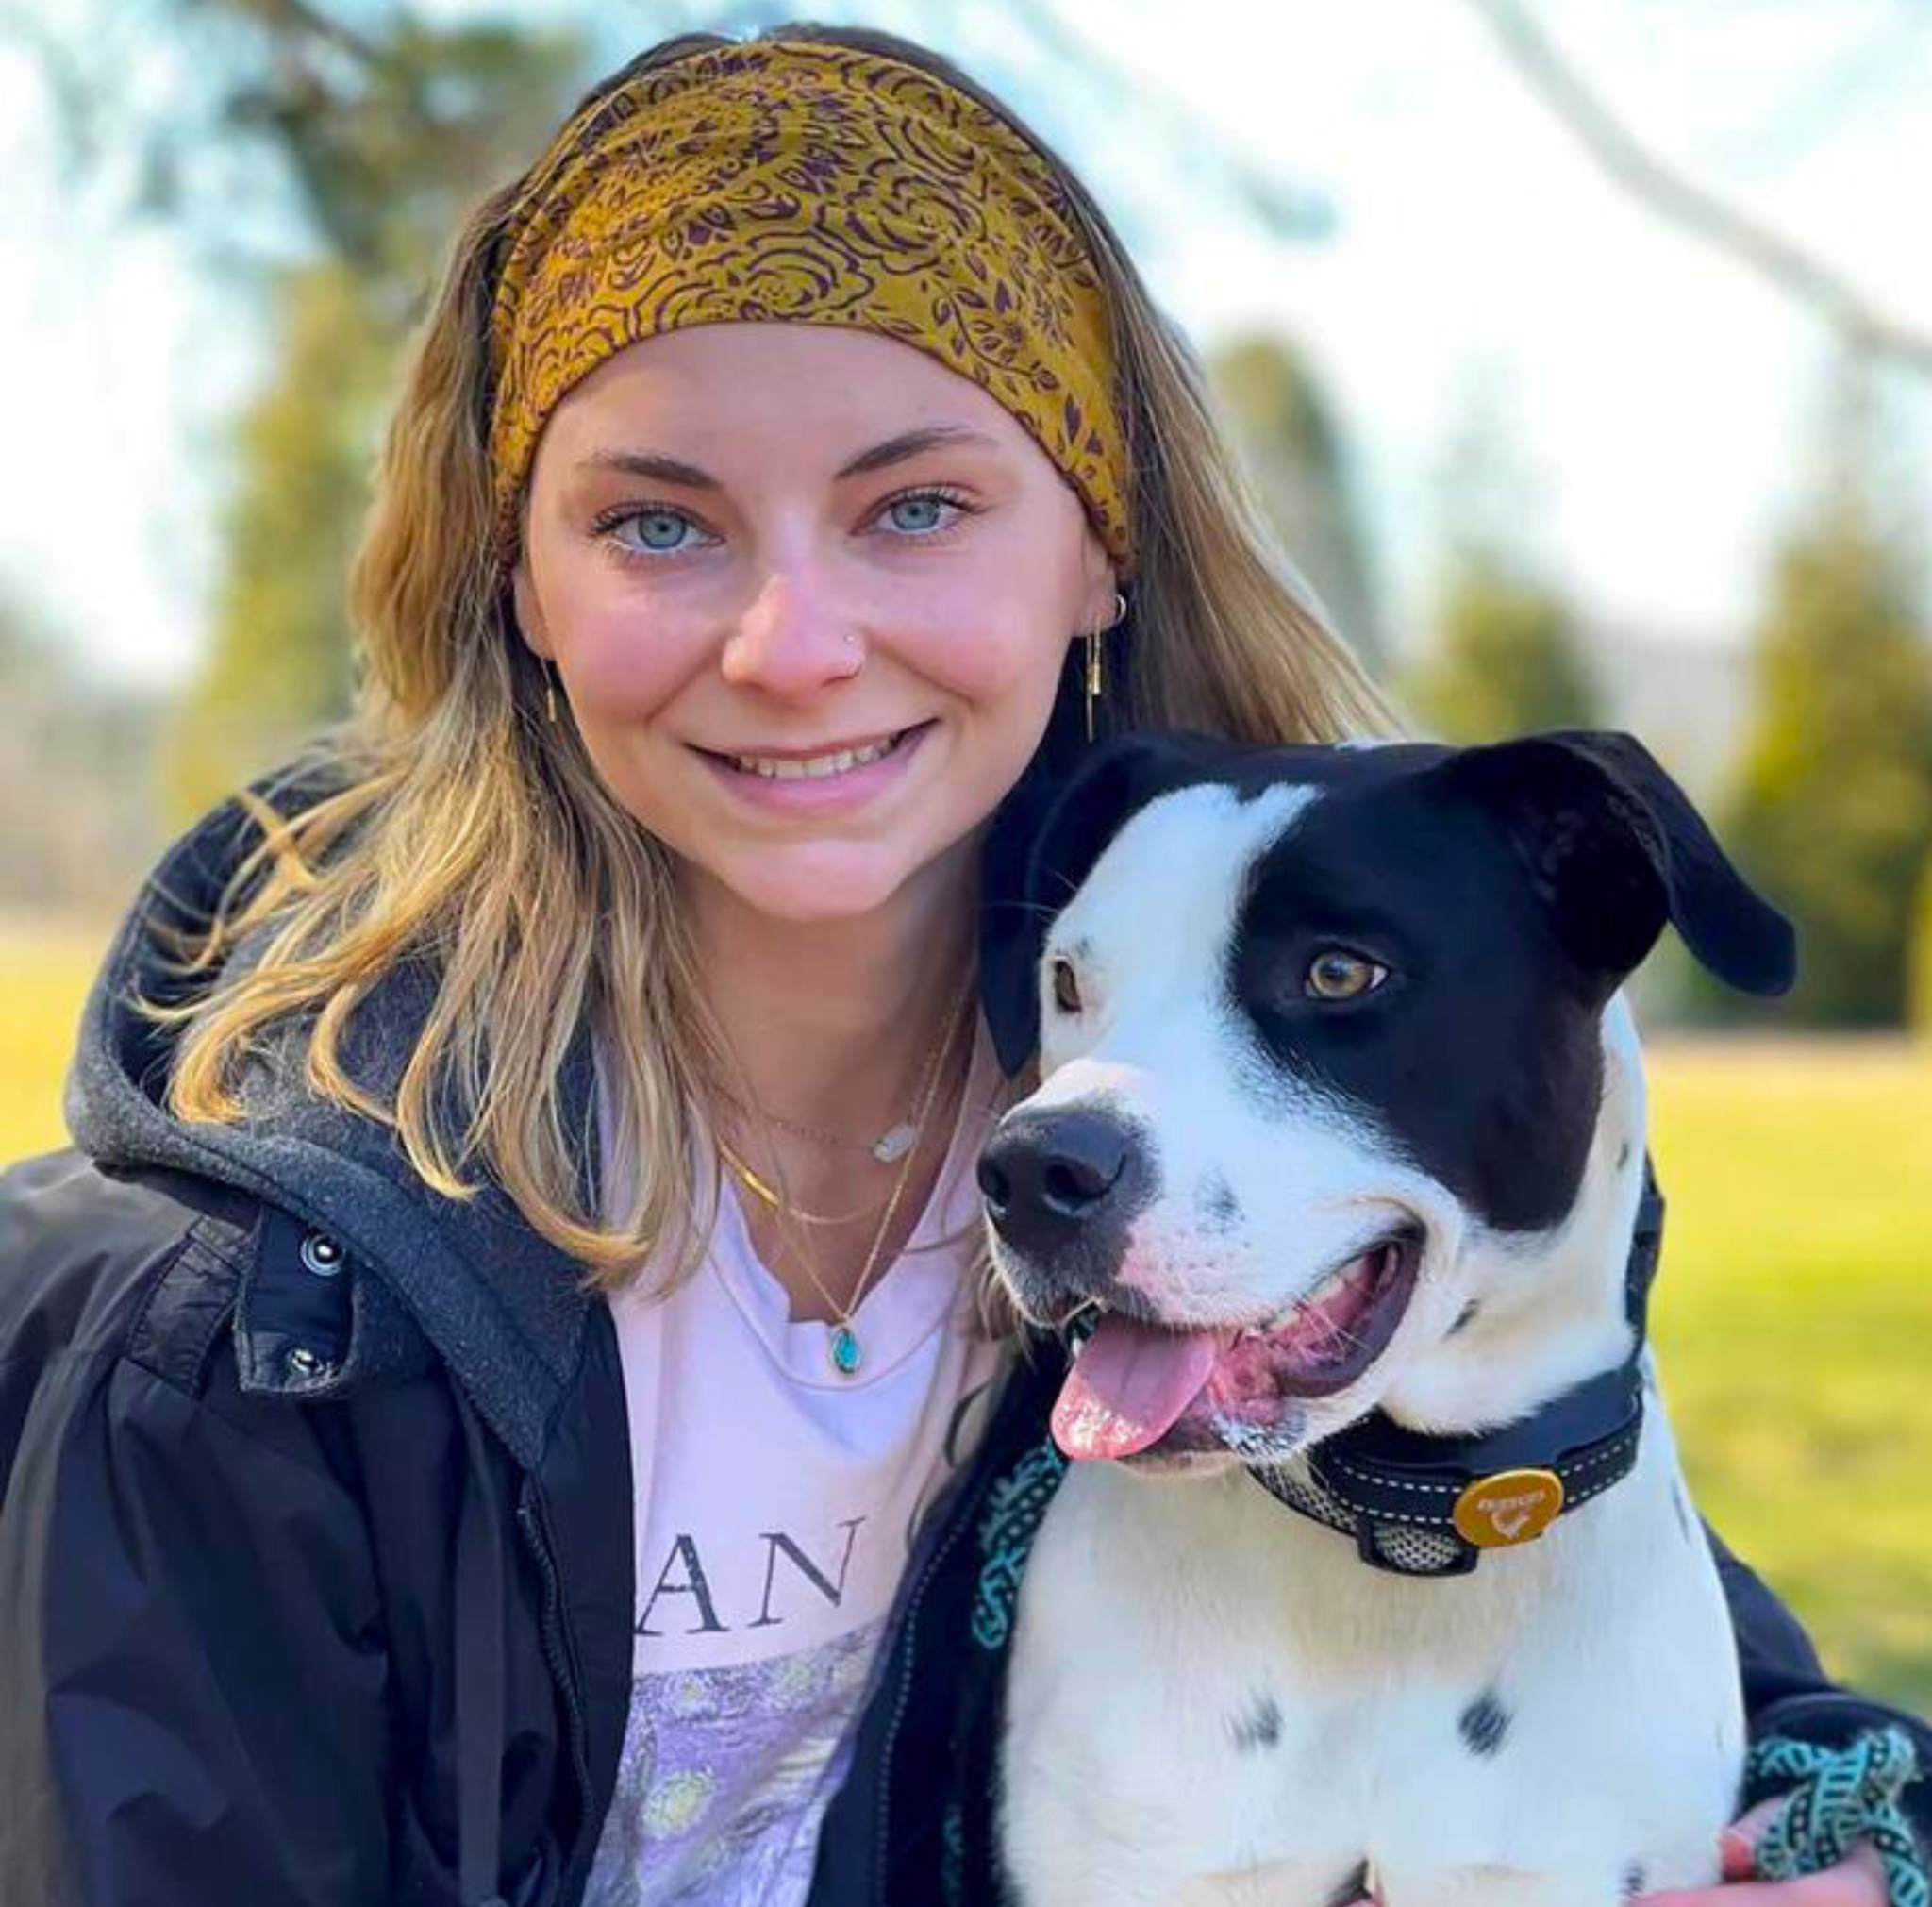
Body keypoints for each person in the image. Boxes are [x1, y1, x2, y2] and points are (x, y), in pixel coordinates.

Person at [0, 24, 1922, 1907]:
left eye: (912, 504)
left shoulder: (1226, 1153)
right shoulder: (246, 1311)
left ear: (1096, 543)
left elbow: (1565, 1542)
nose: (792, 640)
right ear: (521, 579)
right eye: (656, 520)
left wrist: (1861, 1823)